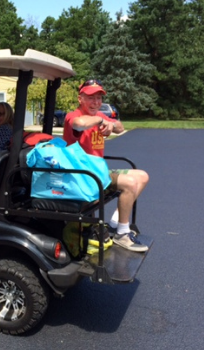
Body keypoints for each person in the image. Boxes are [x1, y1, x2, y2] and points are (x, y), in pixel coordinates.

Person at [63, 79, 149, 252]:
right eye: (90, 98)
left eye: (99, 98)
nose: (96, 102)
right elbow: (79, 124)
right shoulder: (74, 115)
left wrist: (110, 123)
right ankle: (122, 235)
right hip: (83, 175)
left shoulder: (99, 116)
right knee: (130, 183)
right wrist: (100, 121)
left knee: (142, 176)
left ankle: (117, 221)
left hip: (97, 172)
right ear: (80, 99)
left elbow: (120, 127)